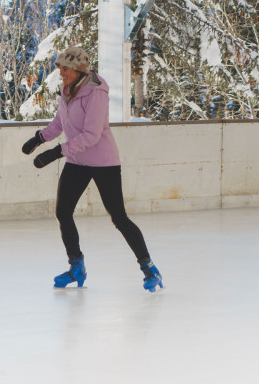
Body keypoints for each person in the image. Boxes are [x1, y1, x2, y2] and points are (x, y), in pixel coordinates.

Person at [22, 46, 163, 292]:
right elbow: (60, 122)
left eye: (65, 68)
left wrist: (56, 153)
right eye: (59, 68)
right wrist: (39, 139)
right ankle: (76, 266)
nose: (61, 73)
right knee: (63, 212)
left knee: (119, 217)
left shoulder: (96, 93)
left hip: (103, 161)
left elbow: (92, 135)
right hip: (77, 161)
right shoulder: (67, 90)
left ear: (78, 70)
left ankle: (150, 268)